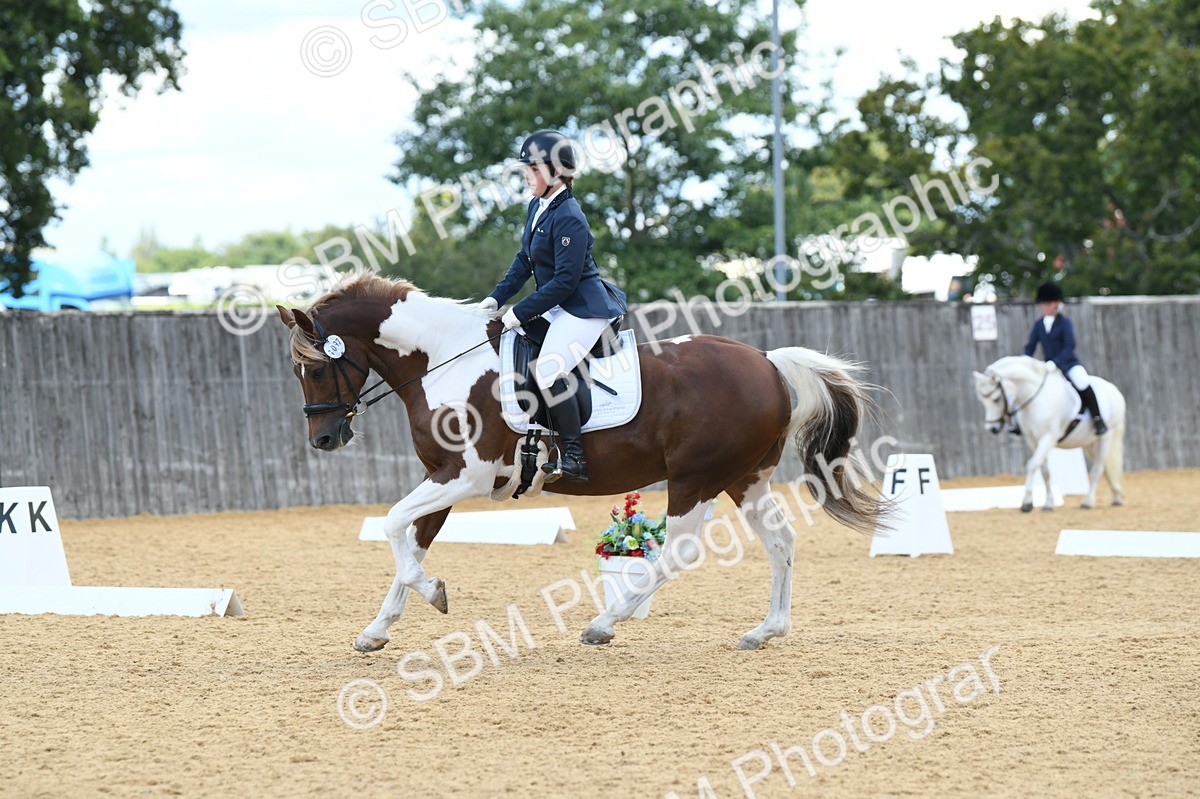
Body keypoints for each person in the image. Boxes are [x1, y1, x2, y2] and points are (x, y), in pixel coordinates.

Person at [477, 130, 627, 481]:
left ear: (555, 173)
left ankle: (575, 455)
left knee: (548, 369)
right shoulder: (538, 206)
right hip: (559, 306)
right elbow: (524, 260)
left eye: (532, 168)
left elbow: (565, 282)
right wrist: (496, 298)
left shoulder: (570, 216)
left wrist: (519, 311)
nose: (526, 175)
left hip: (583, 309)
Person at [1023, 282, 1108, 435]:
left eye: (1048, 303)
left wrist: (1056, 362)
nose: (1045, 307)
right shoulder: (1038, 325)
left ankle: (1097, 419)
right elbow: (1031, 346)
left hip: (1068, 364)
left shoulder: (1064, 323)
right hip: (1048, 366)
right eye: (1042, 304)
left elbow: (1070, 346)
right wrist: (1024, 360)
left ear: (1057, 303)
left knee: (1082, 381)